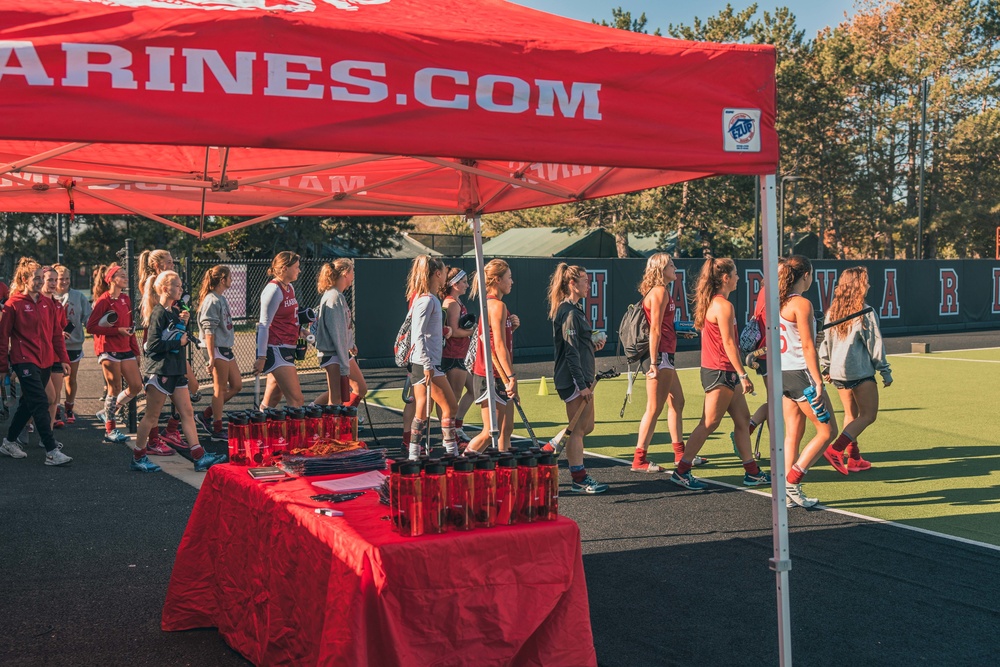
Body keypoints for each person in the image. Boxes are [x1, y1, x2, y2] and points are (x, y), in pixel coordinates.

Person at [670, 258, 770, 490]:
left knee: (743, 421)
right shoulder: (723, 306)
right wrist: (743, 374)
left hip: (723, 371)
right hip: (720, 372)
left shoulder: (718, 303)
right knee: (709, 423)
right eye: (735, 274)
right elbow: (729, 343)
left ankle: (752, 472)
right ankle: (681, 471)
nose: (738, 278)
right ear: (725, 278)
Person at [132, 270, 226, 473]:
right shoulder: (157, 313)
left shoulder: (172, 312)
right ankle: (138, 456)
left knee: (187, 412)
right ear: (165, 288)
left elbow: (175, 334)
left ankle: (199, 456)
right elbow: (153, 344)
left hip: (176, 370)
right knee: (151, 416)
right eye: (177, 286)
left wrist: (183, 323)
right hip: (160, 370)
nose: (181, 289)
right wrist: (178, 340)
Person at [778, 255, 839, 508]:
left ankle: (785, 492)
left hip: (783, 374)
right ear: (805, 275)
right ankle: (793, 480)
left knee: (793, 432)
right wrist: (817, 379)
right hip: (801, 373)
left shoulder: (779, 302)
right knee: (828, 431)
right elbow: (807, 346)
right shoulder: (801, 304)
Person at [0, 257, 73, 465]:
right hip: (23, 360)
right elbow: (3, 337)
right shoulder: (13, 305)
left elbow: (56, 335)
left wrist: (64, 359)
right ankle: (51, 451)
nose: (41, 282)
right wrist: (2, 367)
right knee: (40, 401)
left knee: (27, 404)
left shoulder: (47, 303)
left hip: (46, 361)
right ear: (24, 279)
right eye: (37, 278)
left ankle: (9, 441)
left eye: (42, 277)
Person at [819, 266, 892, 473]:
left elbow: (824, 342)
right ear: (859, 285)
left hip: (838, 373)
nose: (869, 285)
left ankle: (854, 458)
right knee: (868, 415)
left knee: (851, 415)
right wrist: (885, 371)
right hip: (859, 373)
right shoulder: (866, 311)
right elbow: (874, 345)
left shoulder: (832, 311)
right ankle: (836, 450)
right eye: (866, 281)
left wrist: (826, 367)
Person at [631, 253, 696, 472]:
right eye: (671, 265)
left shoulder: (661, 291)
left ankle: (681, 454)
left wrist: (679, 331)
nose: (675, 268)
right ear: (661, 269)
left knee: (677, 402)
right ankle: (639, 459)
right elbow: (655, 329)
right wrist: (654, 363)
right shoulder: (659, 292)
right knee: (654, 408)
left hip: (664, 355)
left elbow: (662, 326)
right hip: (660, 356)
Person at [549, 263, 609, 494]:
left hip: (581, 376)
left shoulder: (575, 309)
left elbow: (578, 346)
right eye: (584, 280)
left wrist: (592, 344)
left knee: (586, 426)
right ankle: (579, 478)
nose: (588, 285)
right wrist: (582, 385)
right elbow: (571, 352)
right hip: (574, 380)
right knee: (577, 431)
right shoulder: (570, 313)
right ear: (572, 284)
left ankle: (553, 444)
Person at [137, 249, 195, 450]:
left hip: (172, 349)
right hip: (161, 355)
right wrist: (176, 334)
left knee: (189, 398)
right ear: (157, 266)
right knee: (153, 410)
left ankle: (182, 440)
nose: (172, 265)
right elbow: (155, 333)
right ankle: (149, 444)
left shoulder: (169, 303)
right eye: (169, 262)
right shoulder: (157, 300)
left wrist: (182, 320)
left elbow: (176, 315)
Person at [406, 256, 460, 459]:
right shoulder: (428, 300)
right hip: (426, 363)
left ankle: (413, 455)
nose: (446, 274)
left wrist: (442, 330)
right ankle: (451, 452)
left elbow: (424, 331)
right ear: (437, 274)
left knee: (422, 410)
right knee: (450, 406)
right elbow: (417, 333)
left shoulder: (426, 299)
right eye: (445, 271)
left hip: (423, 363)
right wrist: (429, 365)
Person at [466, 259, 519, 453]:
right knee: (491, 431)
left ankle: (504, 472)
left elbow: (498, 338)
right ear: (497, 280)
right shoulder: (496, 306)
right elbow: (498, 345)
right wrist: (511, 377)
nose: (512, 281)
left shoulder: (497, 306)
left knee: (506, 428)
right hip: (491, 375)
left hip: (499, 374)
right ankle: (462, 465)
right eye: (509, 277)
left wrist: (511, 326)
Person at [86, 263, 143, 445]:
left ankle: (108, 411)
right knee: (114, 388)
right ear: (111, 279)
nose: (125, 277)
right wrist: (117, 330)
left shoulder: (126, 299)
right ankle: (110, 429)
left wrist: (136, 351)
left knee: (136, 386)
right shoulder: (103, 300)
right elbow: (91, 327)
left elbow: (130, 328)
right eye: (121, 274)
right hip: (108, 350)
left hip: (125, 349)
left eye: (125, 274)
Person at [195, 265, 241, 441]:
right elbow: (209, 330)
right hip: (216, 349)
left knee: (237, 385)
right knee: (219, 389)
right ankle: (217, 427)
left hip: (225, 348)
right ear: (222, 279)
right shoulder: (212, 300)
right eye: (229, 277)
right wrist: (212, 356)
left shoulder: (220, 298)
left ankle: (205, 415)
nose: (231, 280)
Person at [253, 251, 304, 409]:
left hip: (288, 347)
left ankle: (261, 427)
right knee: (296, 400)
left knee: (272, 399)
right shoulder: (273, 290)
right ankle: (294, 434)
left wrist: (300, 330)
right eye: (296, 267)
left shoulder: (289, 288)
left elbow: (288, 317)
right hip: (277, 348)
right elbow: (264, 324)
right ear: (284, 268)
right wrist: (261, 357)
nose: (299, 270)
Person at [315, 258, 368, 409]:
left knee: (360, 388)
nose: (353, 277)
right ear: (345, 273)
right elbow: (337, 333)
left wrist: (350, 344)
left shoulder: (338, 295)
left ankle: (345, 421)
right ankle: (333, 427)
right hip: (335, 354)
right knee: (336, 399)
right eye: (352, 273)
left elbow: (342, 329)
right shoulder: (334, 297)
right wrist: (344, 365)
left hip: (340, 353)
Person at [439, 267, 475, 444]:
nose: (467, 285)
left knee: (474, 390)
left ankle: (455, 427)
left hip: (460, 354)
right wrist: (473, 331)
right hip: (454, 355)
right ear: (454, 284)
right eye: (464, 282)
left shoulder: (456, 302)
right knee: (453, 396)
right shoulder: (451, 303)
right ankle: (450, 431)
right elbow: (454, 332)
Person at [53, 264, 90, 426]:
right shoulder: (49, 296)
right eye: (61, 279)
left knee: (71, 378)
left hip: (73, 344)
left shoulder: (78, 296)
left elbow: (88, 318)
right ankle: (55, 409)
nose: (65, 282)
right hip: (54, 345)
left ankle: (69, 407)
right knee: (56, 380)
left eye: (67, 278)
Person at [40, 266, 68, 433]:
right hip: (38, 357)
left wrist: (64, 333)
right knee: (40, 397)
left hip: (56, 356)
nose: (53, 283)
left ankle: (48, 433)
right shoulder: (34, 302)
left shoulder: (57, 305)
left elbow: (61, 328)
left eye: (55, 280)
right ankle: (25, 425)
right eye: (50, 280)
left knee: (54, 398)